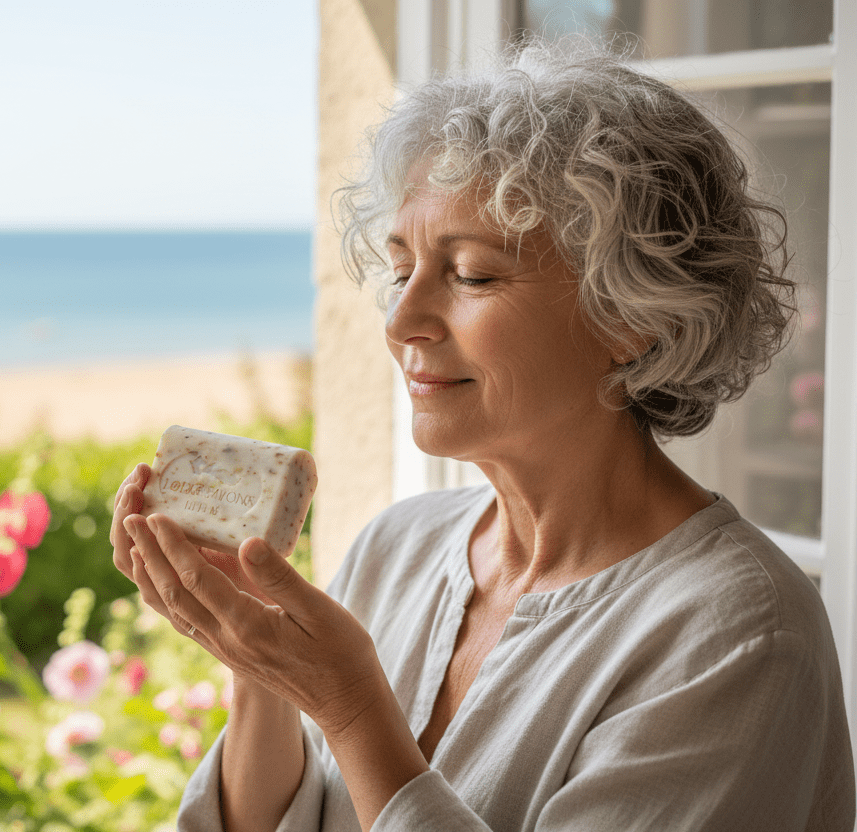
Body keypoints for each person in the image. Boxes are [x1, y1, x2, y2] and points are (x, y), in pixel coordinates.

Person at [110, 38, 855, 831]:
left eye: (471, 274)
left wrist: (356, 713)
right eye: (401, 270)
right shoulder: (398, 546)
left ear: (634, 317)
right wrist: (257, 661)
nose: (402, 321)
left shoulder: (737, 634)